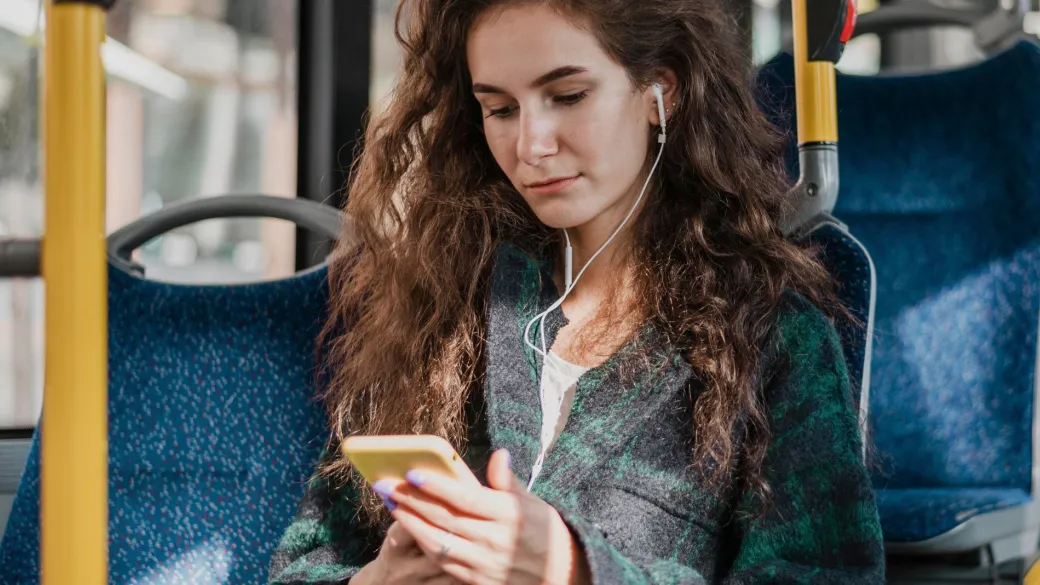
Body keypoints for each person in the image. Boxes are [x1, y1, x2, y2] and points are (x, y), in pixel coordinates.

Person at [268, 0, 885, 583]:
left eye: (567, 96)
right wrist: (377, 578)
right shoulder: (438, 305)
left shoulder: (772, 335)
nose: (531, 145)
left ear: (659, 92)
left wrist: (574, 568)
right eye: (501, 109)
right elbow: (307, 561)